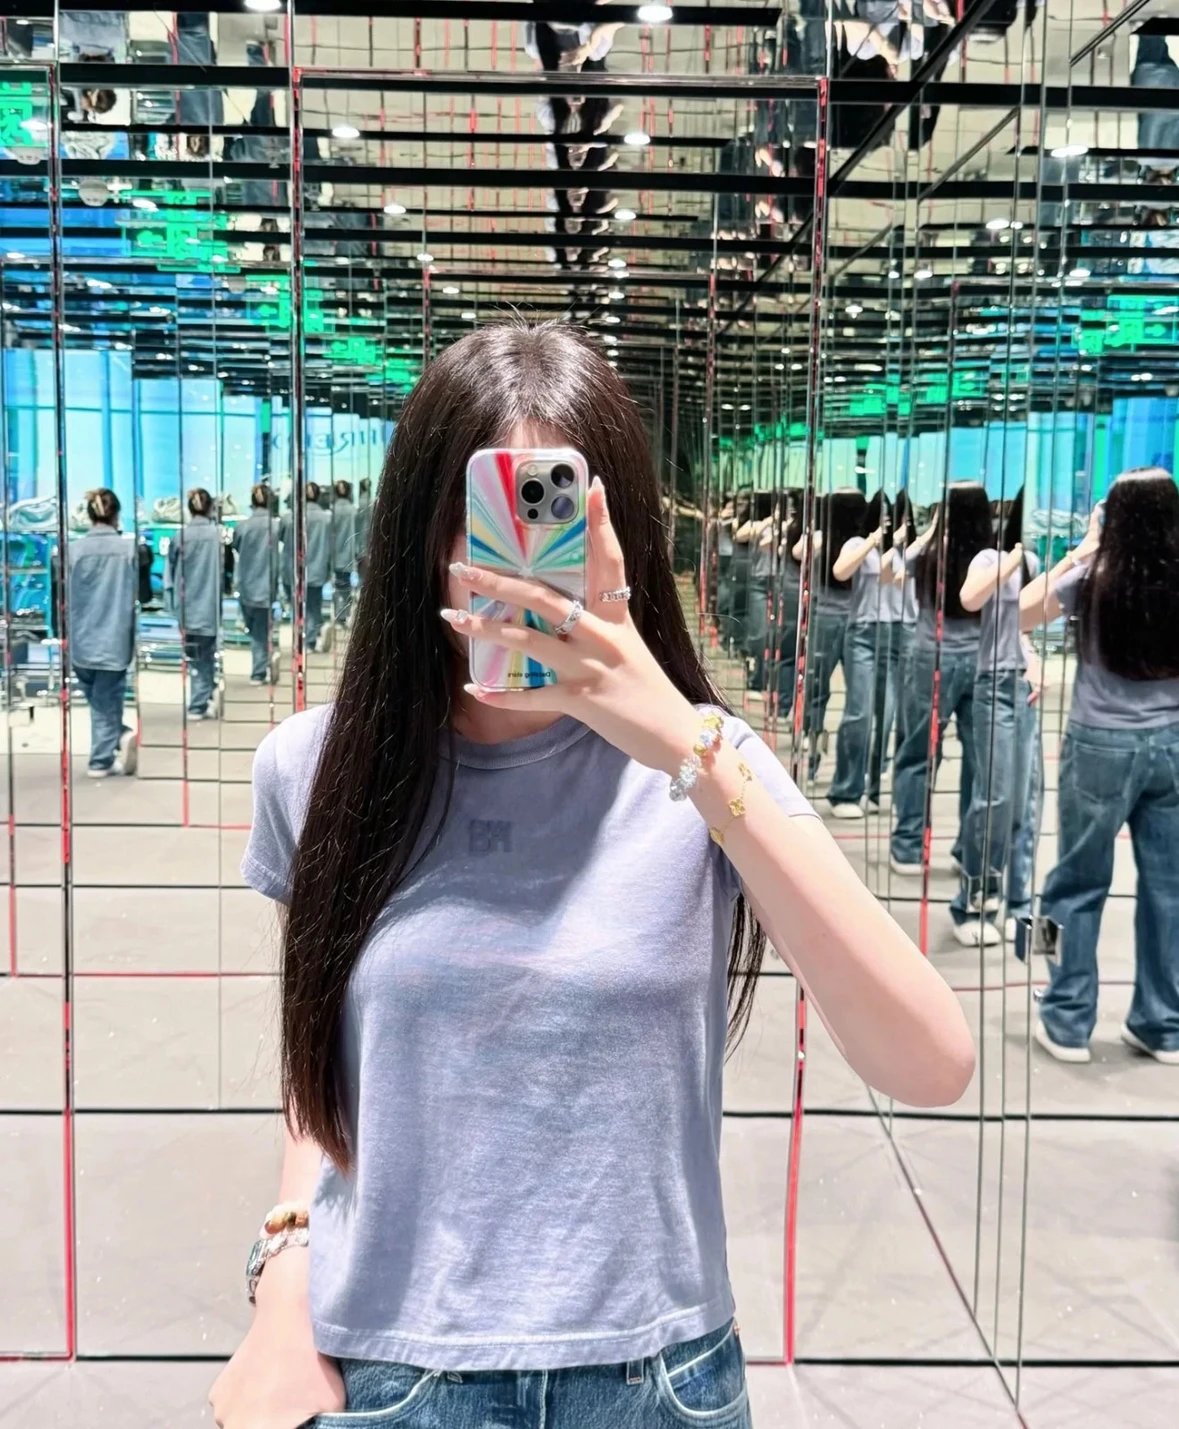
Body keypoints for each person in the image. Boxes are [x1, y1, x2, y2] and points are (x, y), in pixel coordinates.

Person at [209, 324, 974, 1429]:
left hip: (657, 1377)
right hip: (391, 1373)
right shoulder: (316, 768)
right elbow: (324, 1071)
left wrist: (685, 743)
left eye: (558, 519)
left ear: (624, 540)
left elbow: (932, 1059)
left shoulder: (707, 769)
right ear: (422, 532)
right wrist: (283, 1284)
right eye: (486, 518)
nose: (519, 566)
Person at [1020, 468, 1179, 1065]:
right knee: (1169, 888)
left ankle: (1067, 1020)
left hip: (1099, 747)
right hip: (1173, 745)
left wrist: (1079, 552)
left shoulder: (1092, 577)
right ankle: (1164, 1024)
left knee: (1076, 883)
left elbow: (1017, 614)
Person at [950, 489, 1041, 947]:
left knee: (1024, 805)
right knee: (994, 800)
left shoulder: (1036, 564)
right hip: (993, 688)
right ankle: (972, 902)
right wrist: (1013, 560)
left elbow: (1025, 626)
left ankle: (1019, 905)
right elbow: (969, 598)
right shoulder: (989, 559)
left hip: (1024, 686)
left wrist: (1034, 658)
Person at [889, 482, 990, 884]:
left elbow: (896, 571)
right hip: (981, 659)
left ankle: (908, 844)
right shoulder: (990, 558)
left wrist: (931, 530)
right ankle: (970, 851)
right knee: (980, 760)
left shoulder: (928, 554)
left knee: (918, 751)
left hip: (930, 655)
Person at [827, 490, 902, 818]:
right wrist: (873, 541)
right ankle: (845, 790)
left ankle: (872, 786)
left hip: (894, 634)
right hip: (862, 633)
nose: (887, 521)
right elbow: (841, 571)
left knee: (886, 715)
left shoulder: (899, 550)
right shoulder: (857, 544)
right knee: (859, 712)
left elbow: (898, 581)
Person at [68, 488, 138, 779]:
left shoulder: (73, 550)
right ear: (117, 515)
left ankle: (116, 736)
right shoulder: (129, 551)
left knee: (100, 700)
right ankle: (101, 759)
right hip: (114, 638)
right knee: (106, 699)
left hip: (81, 638)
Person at [799, 488, 867, 780]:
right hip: (839, 617)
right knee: (825, 690)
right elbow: (798, 551)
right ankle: (815, 748)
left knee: (822, 690)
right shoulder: (823, 539)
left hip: (839, 618)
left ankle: (816, 748)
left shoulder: (851, 544)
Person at [169, 487, 222, 720]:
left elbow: (171, 575)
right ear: (210, 507)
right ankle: (199, 702)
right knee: (205, 654)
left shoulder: (179, 536)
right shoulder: (216, 535)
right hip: (209, 606)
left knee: (196, 656)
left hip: (187, 607)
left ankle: (203, 696)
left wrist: (173, 608)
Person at [232, 484, 280, 685]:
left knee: (255, 630)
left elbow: (236, 547)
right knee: (261, 631)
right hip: (266, 585)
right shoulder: (275, 526)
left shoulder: (242, 526)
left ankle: (260, 666)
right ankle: (259, 671)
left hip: (246, 585)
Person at [279, 483, 333, 653]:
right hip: (317, 568)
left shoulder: (289, 518)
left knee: (297, 607)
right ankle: (310, 639)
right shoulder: (326, 519)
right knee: (313, 606)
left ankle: (305, 638)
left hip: (292, 569)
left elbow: (281, 538)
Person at [330, 479, 357, 628]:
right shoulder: (353, 510)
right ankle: (343, 614)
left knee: (338, 586)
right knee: (346, 586)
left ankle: (339, 614)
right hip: (348, 554)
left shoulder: (332, 511)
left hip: (335, 555)